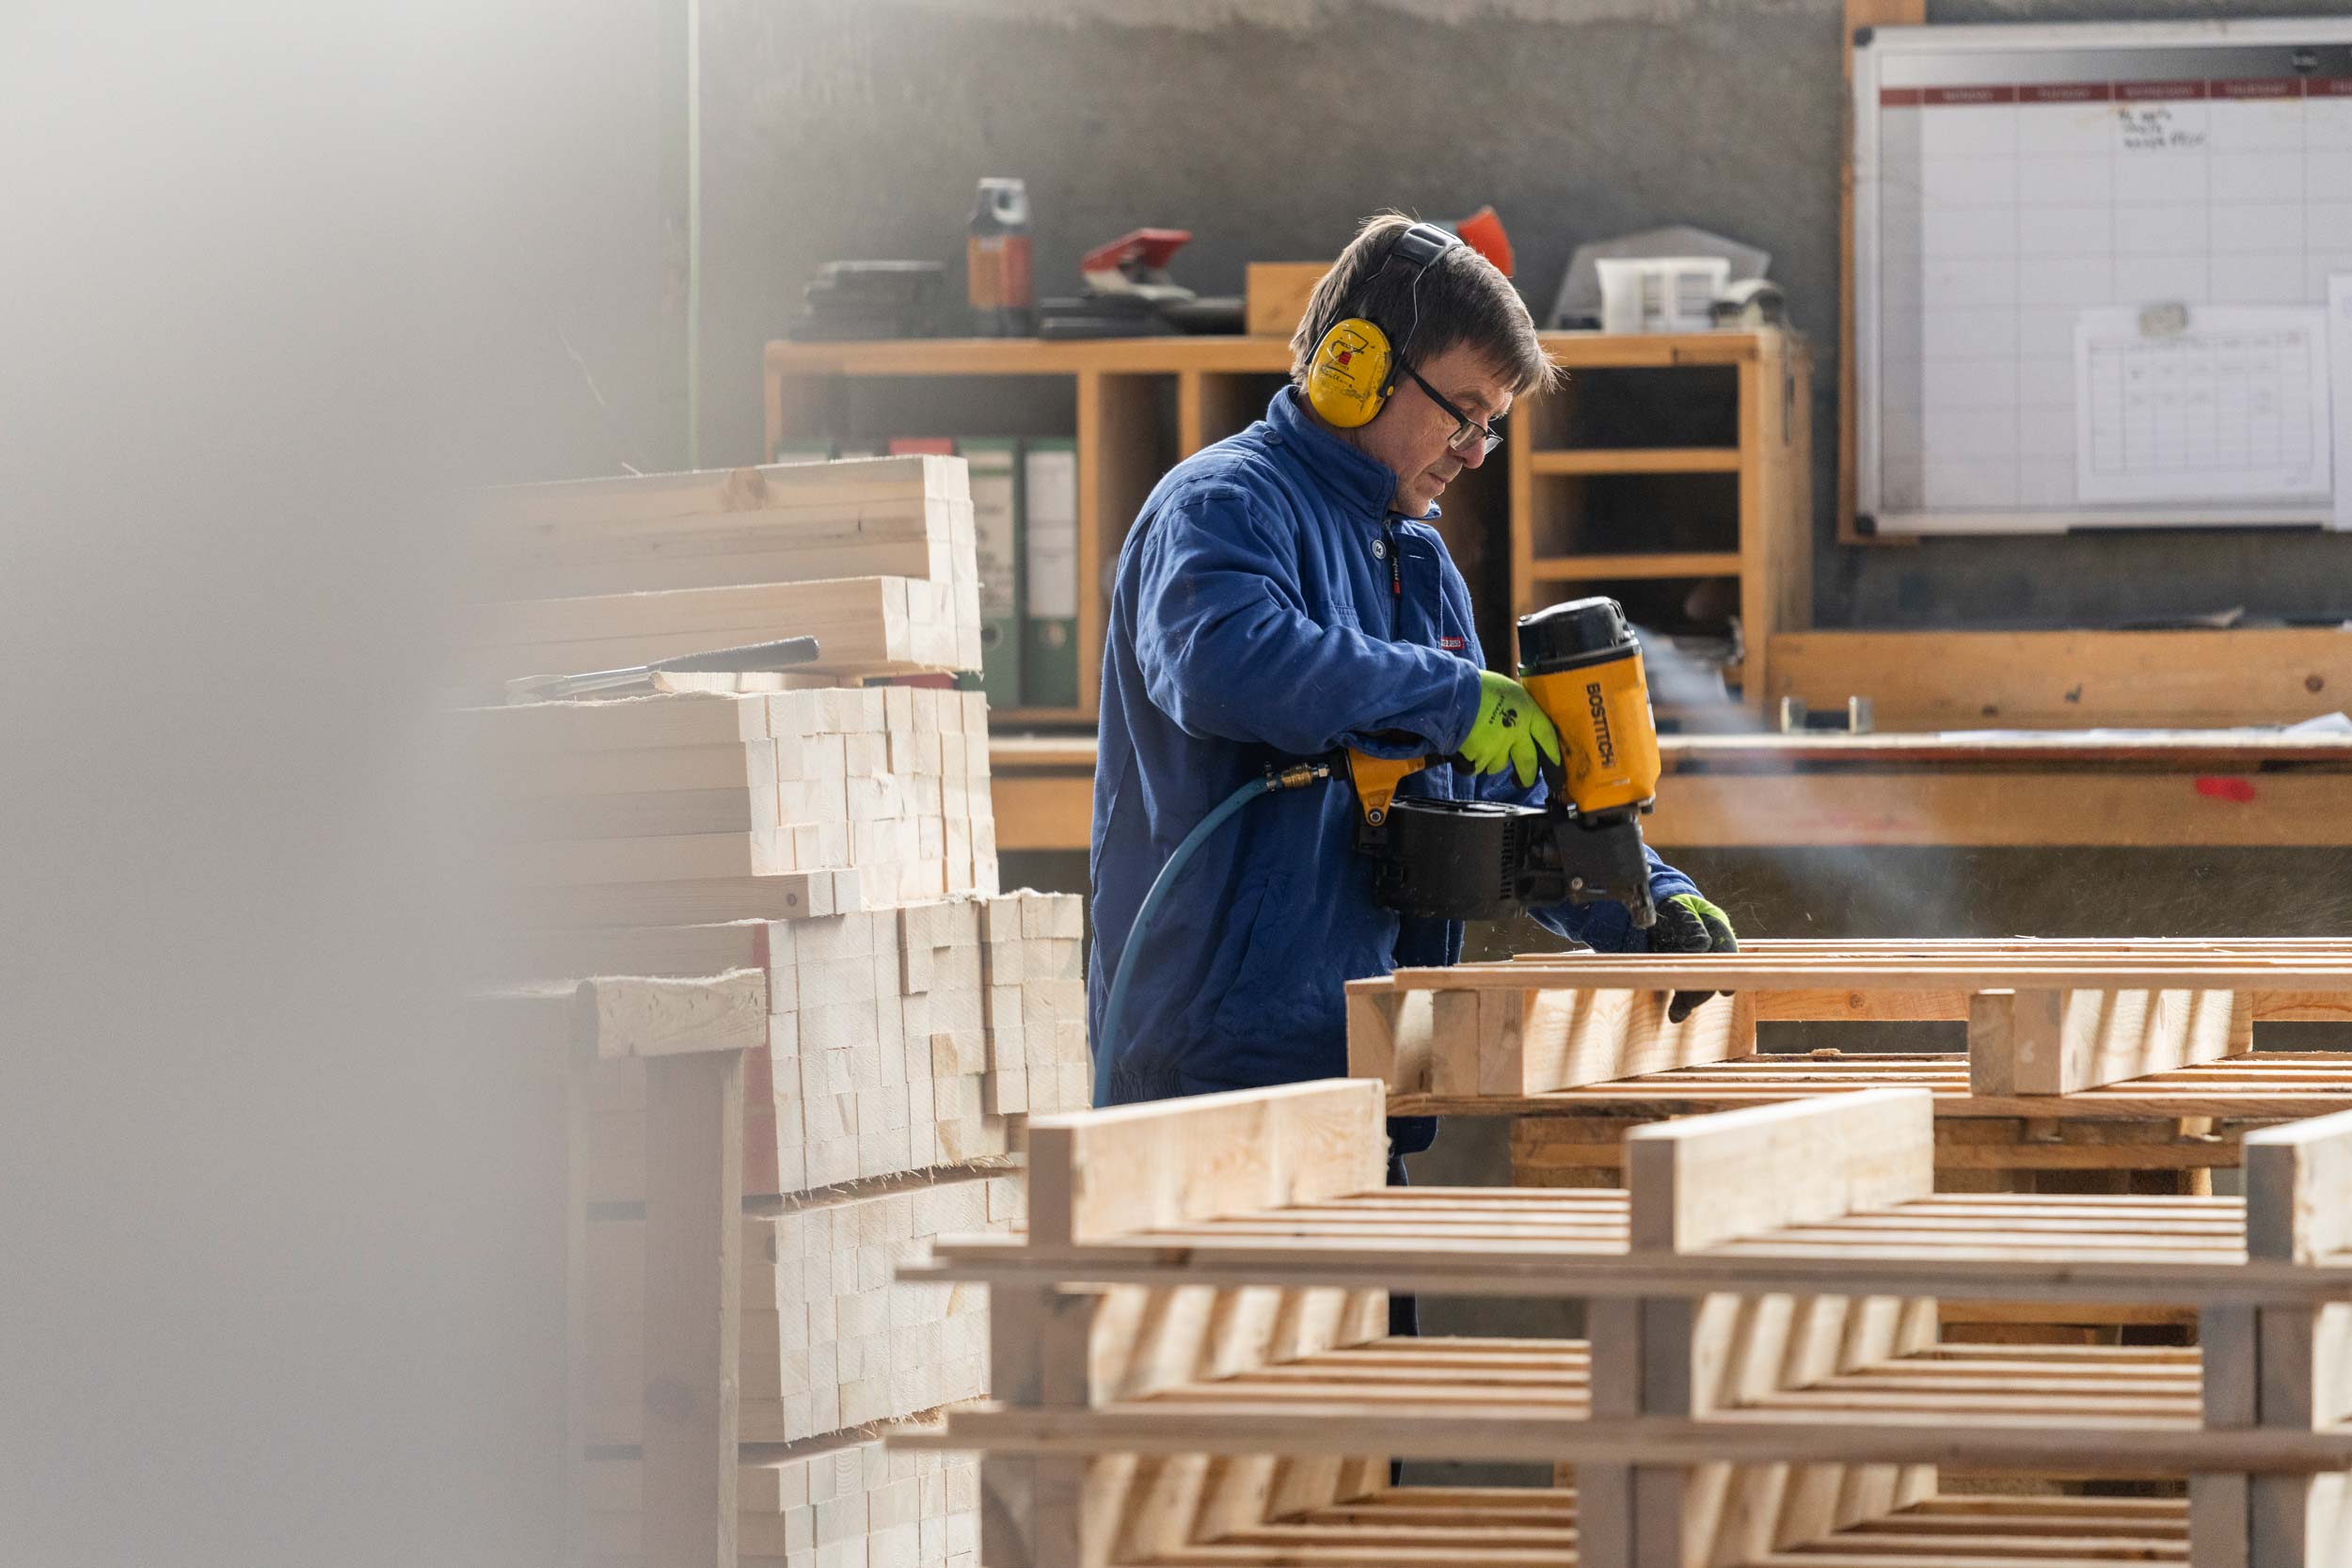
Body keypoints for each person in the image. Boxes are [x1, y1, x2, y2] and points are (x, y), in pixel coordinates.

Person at [1086, 212, 1738, 1154]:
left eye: (1493, 428)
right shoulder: (1221, 505)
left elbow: (1495, 791)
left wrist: (1646, 902)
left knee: (1373, 1308)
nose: (1476, 451)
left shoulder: (1418, 565)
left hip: (1365, 1063)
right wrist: (1455, 698)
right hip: (1206, 1080)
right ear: (1353, 367)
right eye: (1463, 411)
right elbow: (1222, 662)